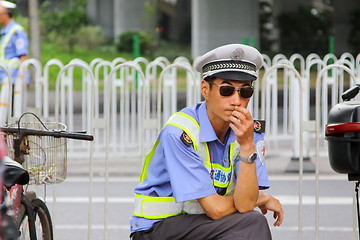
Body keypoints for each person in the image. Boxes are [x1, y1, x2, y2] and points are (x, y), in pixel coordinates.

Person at [130, 43, 283, 240]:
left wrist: (247, 146)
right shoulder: (180, 133)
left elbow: (244, 205)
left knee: (250, 222)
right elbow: (216, 209)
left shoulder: (246, 134)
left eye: (245, 92)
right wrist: (261, 198)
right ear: (205, 89)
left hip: (203, 225)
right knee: (252, 223)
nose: (237, 100)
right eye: (227, 90)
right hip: (157, 229)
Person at [0, 0, 28, 84]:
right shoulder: (4, 32)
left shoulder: (17, 31)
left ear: (6, 14)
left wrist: (22, 77)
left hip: (15, 79)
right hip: (5, 78)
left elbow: (23, 56)